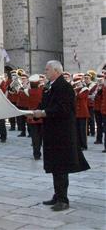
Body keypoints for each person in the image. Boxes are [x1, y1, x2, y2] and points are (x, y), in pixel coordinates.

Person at [30, 60, 90, 211]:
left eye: (47, 69)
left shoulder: (65, 87)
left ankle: (63, 200)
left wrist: (43, 113)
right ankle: (57, 195)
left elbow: (63, 109)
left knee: (61, 167)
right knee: (55, 166)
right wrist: (35, 113)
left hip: (62, 134)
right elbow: (44, 104)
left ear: (56, 71)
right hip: (52, 132)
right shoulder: (49, 86)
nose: (45, 72)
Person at [25, 74, 44, 160]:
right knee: (42, 136)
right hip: (42, 116)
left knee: (35, 137)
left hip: (31, 117)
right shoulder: (43, 91)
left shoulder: (27, 91)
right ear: (38, 83)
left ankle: (36, 154)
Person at [72, 74, 89, 150]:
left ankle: (84, 145)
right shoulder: (75, 90)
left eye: (78, 83)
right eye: (76, 84)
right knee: (77, 130)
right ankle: (78, 144)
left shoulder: (85, 89)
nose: (77, 85)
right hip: (76, 113)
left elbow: (81, 97)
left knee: (83, 131)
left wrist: (76, 91)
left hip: (83, 112)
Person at [94, 74, 103, 145]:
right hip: (96, 108)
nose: (99, 81)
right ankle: (99, 139)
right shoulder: (96, 87)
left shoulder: (103, 88)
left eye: (100, 79)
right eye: (98, 79)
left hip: (102, 108)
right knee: (98, 124)